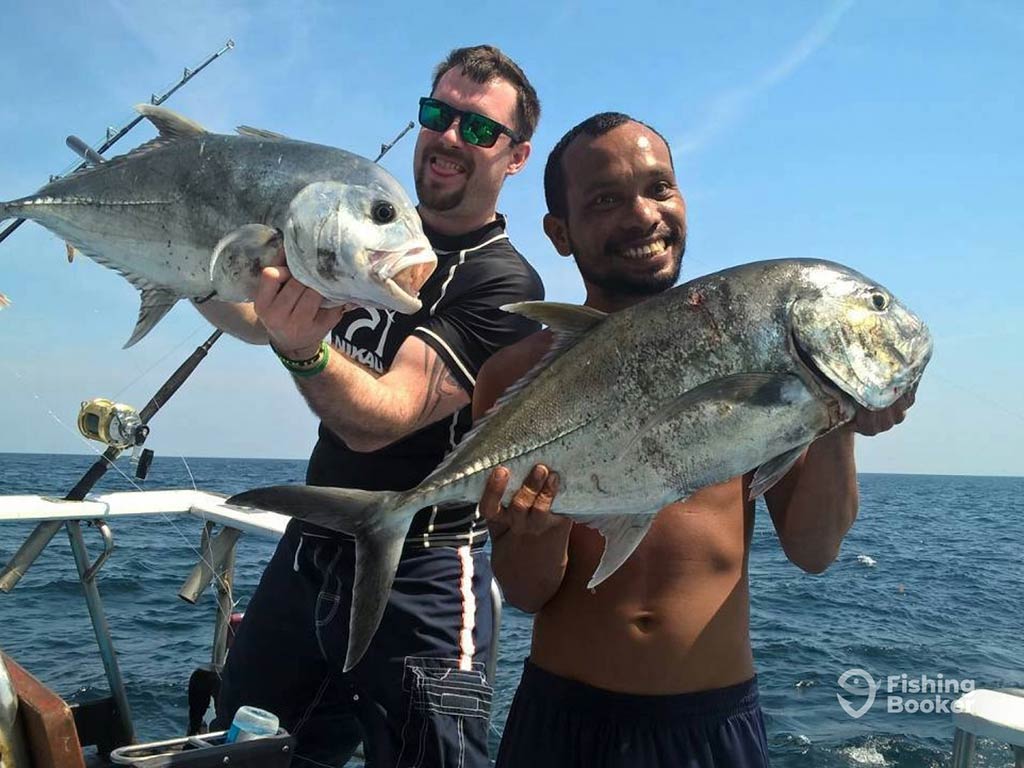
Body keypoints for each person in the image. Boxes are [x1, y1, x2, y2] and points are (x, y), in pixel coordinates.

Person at [473, 113, 917, 768]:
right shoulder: (513, 379)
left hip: (709, 724)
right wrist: (539, 532)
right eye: (605, 199)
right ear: (559, 232)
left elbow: (814, 549)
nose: (642, 214)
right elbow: (529, 593)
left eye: (659, 187)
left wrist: (834, 416)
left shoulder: (749, 344)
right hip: (562, 719)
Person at [196, 45, 543, 767]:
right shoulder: (356, 229)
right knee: (244, 744)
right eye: (436, 115)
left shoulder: (506, 285)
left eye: (478, 130)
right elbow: (265, 318)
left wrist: (306, 351)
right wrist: (186, 270)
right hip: (313, 541)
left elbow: (381, 414)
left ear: (516, 158)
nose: (449, 137)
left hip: (424, 569)